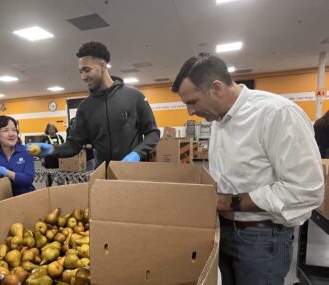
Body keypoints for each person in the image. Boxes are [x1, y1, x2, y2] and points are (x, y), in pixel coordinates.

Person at [171, 53, 324, 285]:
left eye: (192, 102)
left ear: (216, 88)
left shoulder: (276, 114)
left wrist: (230, 202)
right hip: (224, 231)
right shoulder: (219, 120)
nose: (190, 112)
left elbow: (306, 190)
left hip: (262, 240)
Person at [28, 41, 160, 166]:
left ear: (103, 65)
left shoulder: (134, 96)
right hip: (102, 175)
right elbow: (73, 145)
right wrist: (51, 149)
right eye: (80, 71)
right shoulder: (85, 108)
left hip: (132, 174)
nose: (83, 76)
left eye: (87, 70)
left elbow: (153, 133)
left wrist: (136, 154)